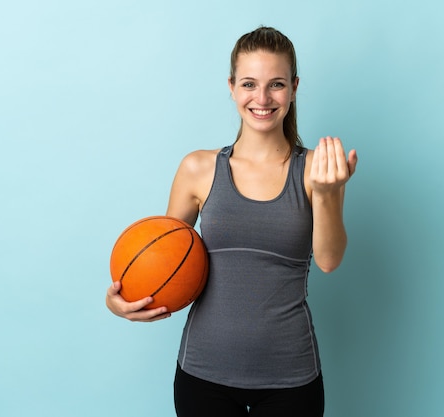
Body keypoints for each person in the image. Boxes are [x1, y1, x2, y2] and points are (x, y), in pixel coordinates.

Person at [106, 26, 358, 417]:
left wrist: (327, 192)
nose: (262, 98)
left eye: (276, 84)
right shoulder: (197, 168)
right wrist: (120, 301)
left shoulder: (317, 171)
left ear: (293, 87)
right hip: (203, 376)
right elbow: (164, 263)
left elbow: (328, 260)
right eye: (249, 84)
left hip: (290, 379)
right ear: (231, 86)